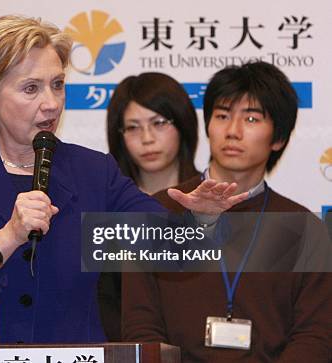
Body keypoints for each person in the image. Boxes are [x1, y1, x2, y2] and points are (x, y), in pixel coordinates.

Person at [0, 15, 247, 344]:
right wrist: (8, 237)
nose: (51, 103)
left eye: (57, 85)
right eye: (31, 89)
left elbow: (171, 253)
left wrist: (201, 220)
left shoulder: (92, 172)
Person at [122, 62, 332, 362]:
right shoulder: (154, 213)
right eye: (222, 116)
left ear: (279, 138)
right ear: (208, 125)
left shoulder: (305, 228)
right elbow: (140, 326)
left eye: (251, 118)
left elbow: (315, 334)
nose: (232, 131)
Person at [99, 72, 200, 341]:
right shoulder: (106, 210)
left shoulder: (207, 202)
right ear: (118, 135)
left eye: (159, 123)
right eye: (132, 127)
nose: (147, 138)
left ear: (183, 124)